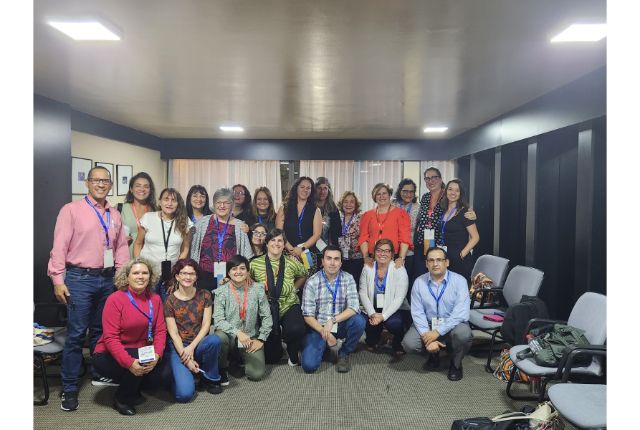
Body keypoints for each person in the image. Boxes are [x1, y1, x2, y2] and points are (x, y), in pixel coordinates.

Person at [48, 166, 130, 412]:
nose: (101, 184)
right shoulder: (71, 210)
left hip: (107, 280)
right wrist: (58, 280)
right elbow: (59, 247)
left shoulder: (115, 214)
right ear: (87, 183)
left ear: (111, 185)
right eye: (96, 180)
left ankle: (98, 371)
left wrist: (121, 278)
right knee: (76, 334)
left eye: (105, 181)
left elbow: (121, 248)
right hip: (79, 279)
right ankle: (70, 387)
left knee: (100, 331)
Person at [92, 258, 167, 415]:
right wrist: (129, 363)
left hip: (142, 350)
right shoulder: (115, 299)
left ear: (150, 276)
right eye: (136, 273)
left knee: (161, 375)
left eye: (145, 273)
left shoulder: (155, 299)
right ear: (127, 277)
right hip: (109, 353)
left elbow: (160, 331)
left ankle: (134, 385)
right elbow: (110, 338)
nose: (140, 276)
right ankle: (122, 399)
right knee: (138, 364)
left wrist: (157, 355)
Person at [401, 247, 472, 381]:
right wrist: (428, 337)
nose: (435, 264)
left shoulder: (460, 281)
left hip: (453, 323)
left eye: (439, 260)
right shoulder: (419, 282)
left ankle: (456, 364)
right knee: (409, 343)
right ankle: (434, 354)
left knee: (463, 334)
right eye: (431, 260)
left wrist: (437, 332)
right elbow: (417, 313)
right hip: (428, 323)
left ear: (447, 262)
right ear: (426, 264)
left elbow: (460, 313)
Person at [163, 259, 222, 401]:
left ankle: (211, 378)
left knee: (214, 340)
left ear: (196, 277)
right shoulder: (170, 300)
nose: (187, 277)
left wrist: (191, 347)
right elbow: (173, 333)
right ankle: (182, 376)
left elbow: (206, 325)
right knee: (184, 395)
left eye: (191, 274)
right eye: (183, 273)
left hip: (198, 342)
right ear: (177, 276)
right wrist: (187, 358)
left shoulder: (205, 295)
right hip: (179, 346)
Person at [301, 246, 366, 373]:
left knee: (359, 321)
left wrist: (332, 320)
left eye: (336, 259)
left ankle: (344, 353)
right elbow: (307, 315)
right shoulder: (312, 282)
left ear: (341, 263)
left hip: (339, 323)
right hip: (319, 327)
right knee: (309, 366)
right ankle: (324, 346)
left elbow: (354, 307)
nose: (332, 262)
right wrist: (325, 332)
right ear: (322, 261)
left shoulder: (348, 278)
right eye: (329, 258)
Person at [249, 229, 308, 365]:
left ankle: (292, 351)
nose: (276, 243)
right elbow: (247, 281)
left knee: (296, 329)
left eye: (280, 240)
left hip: (288, 303)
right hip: (266, 307)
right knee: (272, 358)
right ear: (267, 243)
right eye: (273, 240)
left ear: (284, 244)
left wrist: (294, 289)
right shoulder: (254, 264)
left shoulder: (292, 262)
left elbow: (304, 274)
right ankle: (277, 346)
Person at [214, 255, 273, 383]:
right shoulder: (221, 291)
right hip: (229, 337)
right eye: (234, 269)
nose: (238, 272)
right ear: (228, 272)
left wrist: (261, 339)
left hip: (250, 337)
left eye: (242, 268)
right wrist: (238, 333)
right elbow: (218, 320)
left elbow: (267, 317)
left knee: (256, 374)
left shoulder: (258, 289)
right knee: (219, 337)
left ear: (247, 272)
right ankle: (222, 367)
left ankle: (239, 358)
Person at [413, 167, 476, 280]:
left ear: (441, 179)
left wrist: (473, 215)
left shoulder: (447, 197)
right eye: (427, 178)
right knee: (425, 277)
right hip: (426, 241)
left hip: (441, 244)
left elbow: (462, 213)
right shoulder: (426, 197)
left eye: (434, 177)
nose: (430, 181)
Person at [133, 188, 193, 301]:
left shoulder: (184, 221)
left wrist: (176, 272)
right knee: (148, 306)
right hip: (148, 274)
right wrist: (138, 266)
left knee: (168, 306)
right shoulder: (148, 218)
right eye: (166, 199)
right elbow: (138, 243)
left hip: (170, 276)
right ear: (160, 202)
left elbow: (185, 249)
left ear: (178, 204)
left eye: (173, 200)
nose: (169, 203)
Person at [191, 188, 253, 292]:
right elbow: (193, 248)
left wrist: (247, 274)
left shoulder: (240, 225)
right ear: (214, 204)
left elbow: (246, 255)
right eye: (218, 202)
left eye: (226, 203)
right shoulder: (202, 223)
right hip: (203, 275)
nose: (222, 206)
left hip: (231, 276)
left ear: (232, 205)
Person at [359, 239, 410, 357]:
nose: (382, 254)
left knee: (395, 324)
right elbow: (362, 293)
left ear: (392, 254)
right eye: (379, 250)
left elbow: (399, 298)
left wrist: (383, 316)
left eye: (387, 251)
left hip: (394, 309)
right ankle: (376, 338)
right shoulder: (367, 268)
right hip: (372, 309)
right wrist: (372, 313)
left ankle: (397, 343)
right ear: (374, 252)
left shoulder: (399, 269)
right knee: (366, 329)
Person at [358, 183, 412, 270]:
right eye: (378, 194)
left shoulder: (401, 214)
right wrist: (366, 257)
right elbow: (363, 237)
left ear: (389, 195)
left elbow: (404, 238)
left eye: (384, 193)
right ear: (374, 197)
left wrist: (401, 258)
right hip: (372, 258)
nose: (381, 196)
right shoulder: (367, 215)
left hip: (394, 258)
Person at [437, 179, 480, 282]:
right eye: (450, 189)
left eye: (457, 190)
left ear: (461, 194)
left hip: (460, 259)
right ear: (446, 191)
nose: (453, 193)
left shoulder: (465, 212)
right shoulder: (442, 210)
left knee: (458, 288)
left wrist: (462, 254)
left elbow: (475, 237)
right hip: (444, 257)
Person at [276, 176, 322, 270]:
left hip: (307, 253)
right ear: (296, 188)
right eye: (302, 187)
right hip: (287, 251)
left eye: (308, 188)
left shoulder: (315, 210)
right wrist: (291, 249)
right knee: (287, 278)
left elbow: (317, 234)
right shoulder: (284, 208)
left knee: (308, 277)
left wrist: (302, 248)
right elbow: (279, 231)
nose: (305, 190)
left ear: (311, 191)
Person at [119, 172, 157, 257]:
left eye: (146, 186)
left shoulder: (155, 211)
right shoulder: (119, 209)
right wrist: (120, 239)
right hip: (126, 260)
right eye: (138, 186)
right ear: (131, 189)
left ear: (150, 190)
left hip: (150, 259)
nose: (142, 189)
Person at [393, 178, 421, 285]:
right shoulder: (392, 205)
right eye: (405, 191)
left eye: (411, 191)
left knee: (406, 279)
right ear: (400, 191)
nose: (408, 194)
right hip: (392, 249)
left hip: (409, 251)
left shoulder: (418, 208)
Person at [337, 191, 364, 288]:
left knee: (355, 286)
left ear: (356, 204)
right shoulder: (337, 218)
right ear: (342, 203)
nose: (348, 204)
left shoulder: (362, 218)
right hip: (341, 260)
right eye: (346, 201)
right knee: (342, 286)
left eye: (352, 202)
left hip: (357, 259)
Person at [315, 177, 341, 249]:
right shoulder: (310, 207)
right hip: (311, 246)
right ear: (315, 189)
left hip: (329, 248)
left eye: (325, 188)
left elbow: (337, 232)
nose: (322, 191)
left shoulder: (333, 208)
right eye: (319, 188)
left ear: (328, 190)